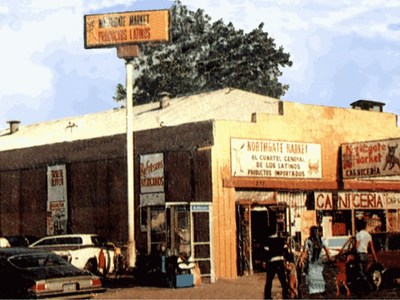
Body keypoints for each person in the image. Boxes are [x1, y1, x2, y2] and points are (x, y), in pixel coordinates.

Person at [299, 226, 330, 296]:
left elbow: (305, 251)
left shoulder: (309, 240)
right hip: (317, 261)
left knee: (314, 275)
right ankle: (320, 290)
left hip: (314, 261)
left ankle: (316, 290)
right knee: (317, 275)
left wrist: (301, 259)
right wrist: (329, 258)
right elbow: (327, 250)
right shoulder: (320, 240)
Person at [263, 232, 289, 300]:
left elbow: (265, 252)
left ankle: (268, 296)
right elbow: (286, 251)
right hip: (280, 261)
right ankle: (286, 295)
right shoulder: (282, 240)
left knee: (269, 281)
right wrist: (286, 261)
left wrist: (264, 261)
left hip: (271, 262)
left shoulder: (267, 240)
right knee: (283, 280)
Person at [355, 218, 378, 291]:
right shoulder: (369, 236)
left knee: (361, 272)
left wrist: (354, 252)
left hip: (360, 254)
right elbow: (372, 248)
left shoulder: (358, 234)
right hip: (366, 255)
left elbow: (357, 245)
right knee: (364, 271)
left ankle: (369, 286)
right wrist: (375, 257)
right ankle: (363, 287)